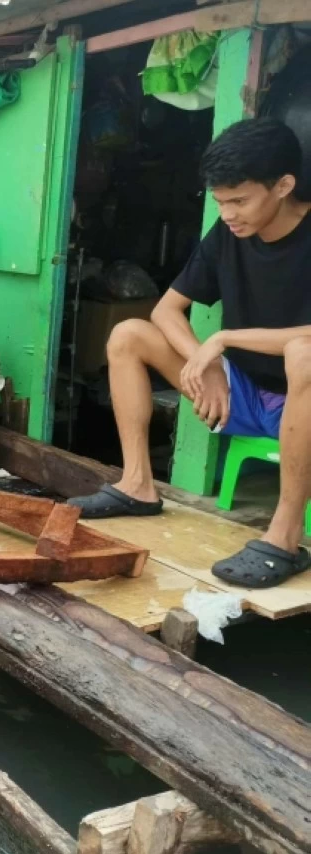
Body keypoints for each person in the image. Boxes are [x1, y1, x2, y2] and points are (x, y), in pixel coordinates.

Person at [68, 119, 311, 588]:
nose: (228, 214)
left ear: (283, 186)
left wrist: (222, 342)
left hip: (302, 395)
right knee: (129, 334)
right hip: (243, 391)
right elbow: (166, 310)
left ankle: (284, 534)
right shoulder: (228, 234)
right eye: (220, 202)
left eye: (239, 201)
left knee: (304, 353)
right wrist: (209, 363)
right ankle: (137, 485)